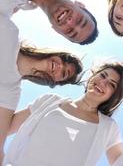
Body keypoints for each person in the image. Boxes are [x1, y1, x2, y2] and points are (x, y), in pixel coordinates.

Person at [3, 62, 123, 166]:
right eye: (102, 75)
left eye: (112, 84)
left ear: (113, 95)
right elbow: (4, 128)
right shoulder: (48, 101)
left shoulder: (109, 127)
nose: (103, 83)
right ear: (92, 76)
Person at [0, 12, 84, 163]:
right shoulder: (10, 34)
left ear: (54, 82)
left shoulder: (11, 92)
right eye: (64, 60)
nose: (60, 65)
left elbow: (3, 131)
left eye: (64, 73)